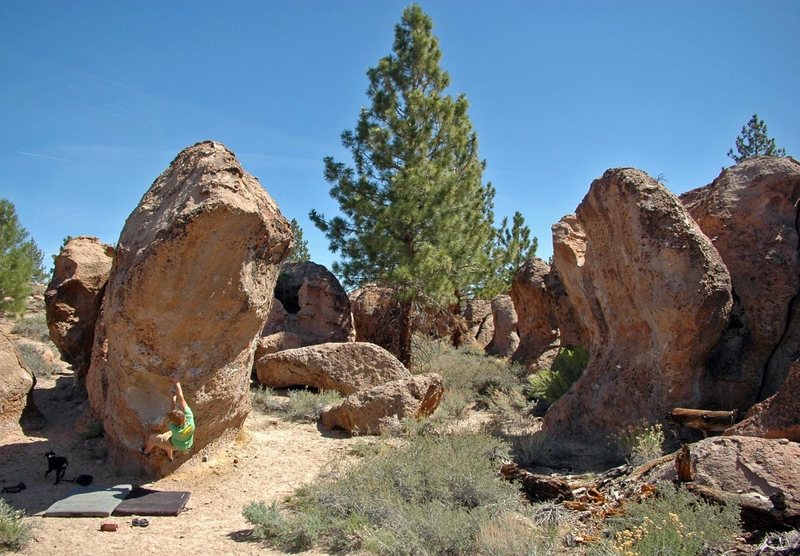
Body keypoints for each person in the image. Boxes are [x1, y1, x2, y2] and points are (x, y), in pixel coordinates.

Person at [142, 377, 195, 462]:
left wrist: (173, 399)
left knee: (152, 438)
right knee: (167, 440)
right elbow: (182, 400)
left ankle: (145, 452)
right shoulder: (190, 420)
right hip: (186, 443)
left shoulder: (174, 428)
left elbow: (173, 409)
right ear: (184, 417)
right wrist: (177, 383)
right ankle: (170, 458)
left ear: (173, 423)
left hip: (176, 444)